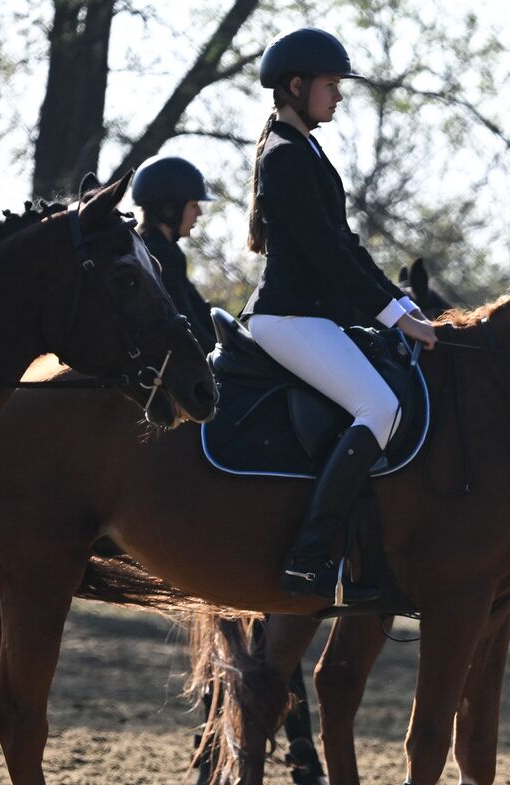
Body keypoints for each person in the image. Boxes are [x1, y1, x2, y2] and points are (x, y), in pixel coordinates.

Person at [242, 27, 438, 603]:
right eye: (331, 85)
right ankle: (310, 555)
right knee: (379, 406)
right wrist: (397, 318)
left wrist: (404, 307)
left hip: (314, 317)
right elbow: (328, 259)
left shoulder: (305, 149)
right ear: (295, 86)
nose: (339, 95)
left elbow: (346, 246)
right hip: (286, 318)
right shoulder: (283, 156)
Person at [133, 155, 217, 351]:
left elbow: (200, 313)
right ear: (169, 208)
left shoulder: (162, 249)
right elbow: (186, 323)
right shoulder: (159, 255)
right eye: (194, 205)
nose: (200, 213)